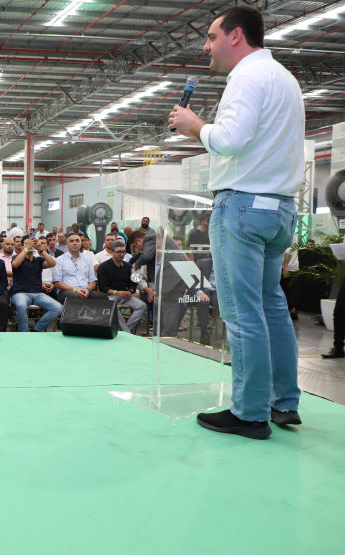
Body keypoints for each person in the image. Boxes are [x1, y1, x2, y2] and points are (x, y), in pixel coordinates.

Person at [169, 4, 304, 437]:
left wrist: (194, 125)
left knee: (242, 313)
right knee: (271, 306)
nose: (206, 47)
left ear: (235, 36)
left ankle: (249, 413)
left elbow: (229, 139)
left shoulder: (246, 77)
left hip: (243, 206)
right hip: (279, 207)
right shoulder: (284, 78)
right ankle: (284, 402)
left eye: (211, 37)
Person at [10, 236, 61, 332]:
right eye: (26, 243)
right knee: (21, 305)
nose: (29, 245)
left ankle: (37, 329)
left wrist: (41, 250)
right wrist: (26, 248)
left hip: (38, 293)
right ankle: (24, 332)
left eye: (31, 244)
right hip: (20, 293)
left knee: (57, 307)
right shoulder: (16, 258)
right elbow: (15, 264)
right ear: (22, 246)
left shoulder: (38, 260)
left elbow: (52, 263)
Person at [96, 240, 148, 334]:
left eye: (123, 252)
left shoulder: (127, 266)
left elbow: (132, 283)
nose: (122, 254)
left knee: (142, 306)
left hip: (125, 294)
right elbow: (103, 287)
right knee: (112, 306)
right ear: (112, 252)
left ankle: (124, 330)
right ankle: (127, 332)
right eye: (119, 252)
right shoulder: (104, 267)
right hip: (111, 295)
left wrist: (130, 291)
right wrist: (116, 292)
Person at [52, 232, 108, 302]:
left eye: (77, 241)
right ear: (67, 244)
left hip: (86, 291)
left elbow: (93, 280)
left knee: (102, 297)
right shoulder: (59, 260)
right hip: (67, 292)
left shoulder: (87, 259)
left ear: (81, 243)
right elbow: (57, 282)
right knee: (72, 296)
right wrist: (75, 290)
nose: (75, 243)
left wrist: (87, 290)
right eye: (72, 241)